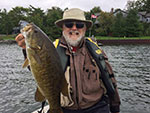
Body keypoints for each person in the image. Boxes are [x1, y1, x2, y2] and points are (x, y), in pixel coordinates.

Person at [15, 8, 121, 113]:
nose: (74, 28)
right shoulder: (52, 48)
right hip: (65, 109)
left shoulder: (96, 52)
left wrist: (115, 106)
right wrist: (26, 49)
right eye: (69, 24)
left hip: (97, 107)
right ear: (62, 28)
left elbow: (110, 79)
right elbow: (37, 68)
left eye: (79, 25)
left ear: (85, 29)